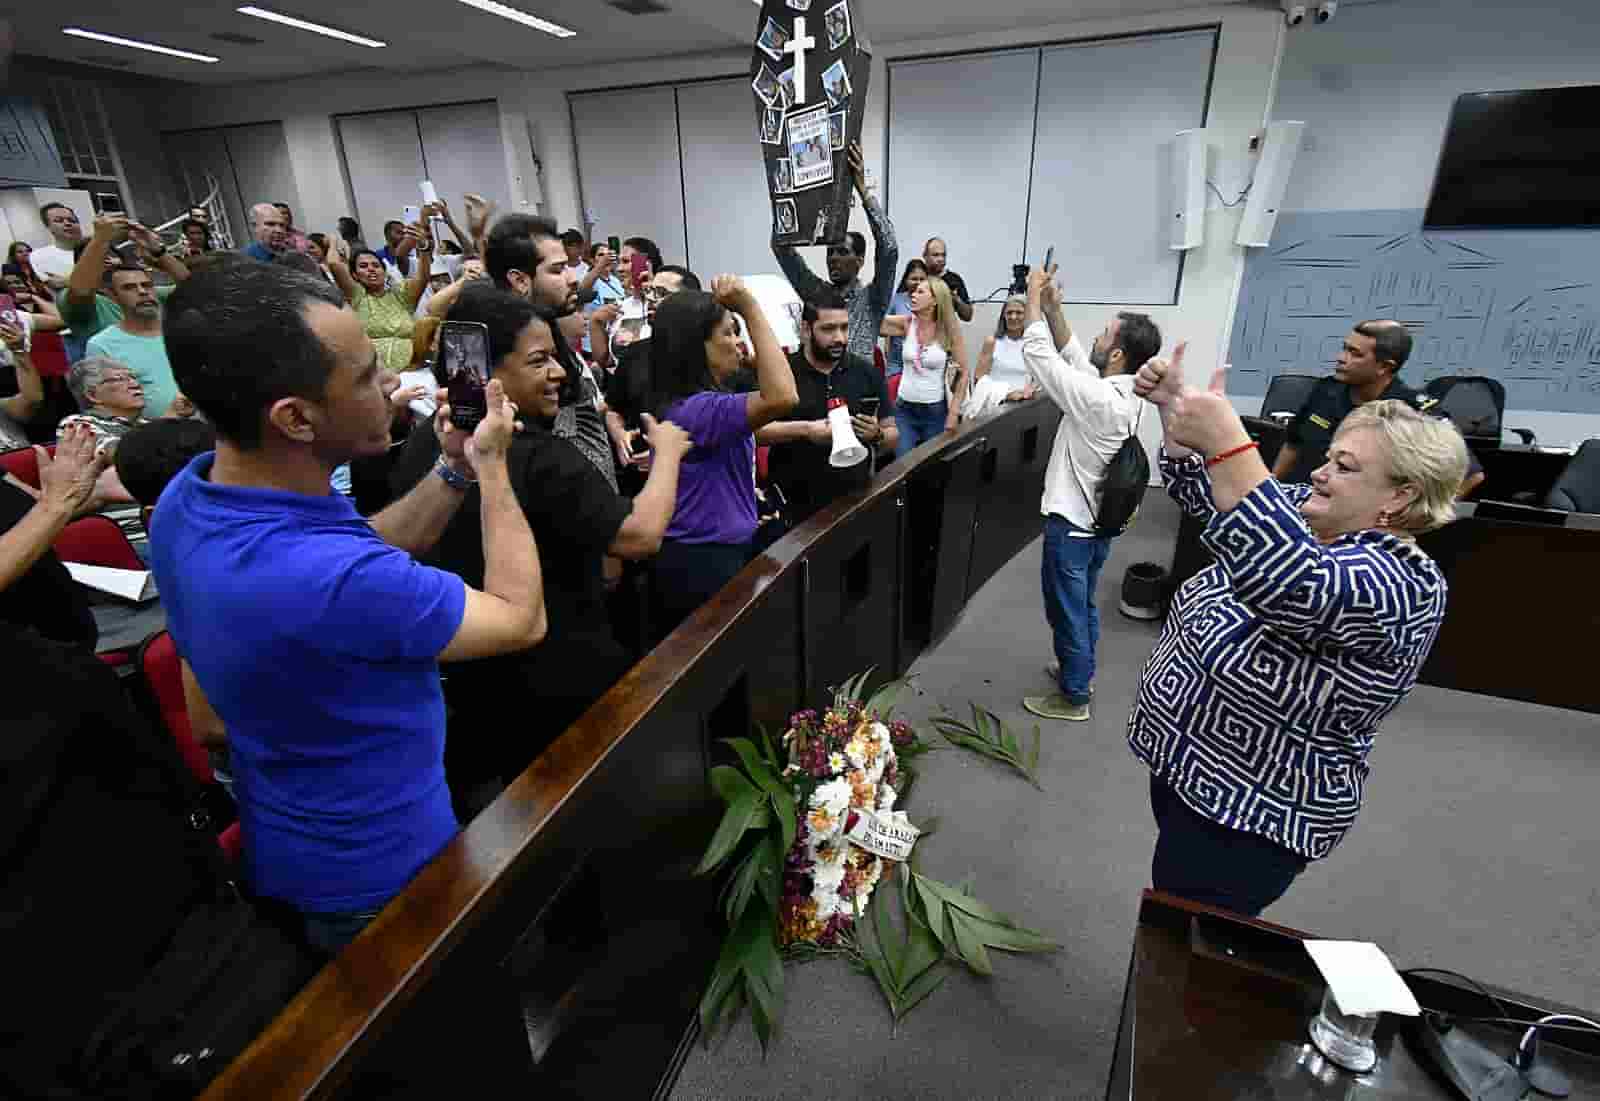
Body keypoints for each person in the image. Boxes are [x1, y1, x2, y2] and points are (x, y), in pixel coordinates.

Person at [151, 259, 547, 953]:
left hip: (290, 845)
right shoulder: (330, 580)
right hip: (387, 881)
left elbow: (351, 549)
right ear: (296, 417)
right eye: (365, 376)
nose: (392, 382)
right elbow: (520, 617)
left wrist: (451, 467)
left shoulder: (190, 500)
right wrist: (491, 467)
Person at [1128, 347, 1469, 917]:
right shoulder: (1305, 514)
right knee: (1172, 905)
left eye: (1345, 466)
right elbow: (1208, 500)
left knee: (1184, 940)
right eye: (1329, 456)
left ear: (1401, 495)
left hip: (1249, 814)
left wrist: (1232, 443)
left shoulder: (1404, 584)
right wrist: (1177, 417)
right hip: (1193, 773)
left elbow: (1293, 583)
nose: (1319, 471)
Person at [391, 286, 693, 807]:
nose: (559, 373)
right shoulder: (540, 456)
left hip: (474, 693)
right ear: (487, 372)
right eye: (540, 360)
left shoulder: (427, 447)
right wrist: (667, 454)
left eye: (556, 356)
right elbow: (639, 535)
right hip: (559, 687)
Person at [1016, 264, 1160, 723]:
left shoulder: (1098, 401)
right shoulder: (1124, 392)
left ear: (1116, 354)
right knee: (1083, 602)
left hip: (1073, 526)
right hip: (1097, 524)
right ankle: (1080, 670)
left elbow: (1041, 355)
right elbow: (1075, 354)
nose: (1096, 339)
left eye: (1104, 335)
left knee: (1067, 609)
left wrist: (1033, 296)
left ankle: (1074, 695)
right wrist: (1054, 307)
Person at [647, 276, 796, 636]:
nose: (738, 343)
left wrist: (807, 430)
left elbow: (746, 428)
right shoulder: (700, 409)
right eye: (729, 333)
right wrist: (749, 306)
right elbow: (782, 397)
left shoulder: (696, 404)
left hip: (711, 553)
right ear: (698, 347)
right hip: (702, 562)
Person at [757, 288, 897, 525]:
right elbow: (755, 433)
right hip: (794, 507)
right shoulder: (781, 374)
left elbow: (893, 434)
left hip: (853, 501)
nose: (840, 338)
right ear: (805, 329)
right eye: (828, 329)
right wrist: (806, 430)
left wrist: (877, 434)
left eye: (844, 327)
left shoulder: (866, 372)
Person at [1271, 320, 1465, 489]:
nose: (1341, 358)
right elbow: (1293, 444)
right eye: (1345, 348)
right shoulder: (1326, 390)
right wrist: (1273, 490)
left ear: (1385, 366)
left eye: (1354, 353)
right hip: (1300, 502)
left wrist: (1417, 520)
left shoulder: (1414, 412)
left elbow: (1468, 474)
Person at [773, 142, 898, 369]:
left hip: (858, 392)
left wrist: (863, 189)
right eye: (830, 252)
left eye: (842, 252)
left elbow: (889, 248)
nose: (833, 258)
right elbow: (781, 249)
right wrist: (793, 195)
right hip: (821, 390)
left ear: (860, 261)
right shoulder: (817, 293)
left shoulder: (872, 300)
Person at [0, 422, 106, 649]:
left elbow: (34, 514)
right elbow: (49, 508)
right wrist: (54, 505)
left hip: (66, 635)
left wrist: (84, 493)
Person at [57, 213, 190, 359]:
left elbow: (192, 288)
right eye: (100, 259)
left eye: (109, 256)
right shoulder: (82, 304)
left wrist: (159, 251)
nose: (106, 262)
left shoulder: (144, 291)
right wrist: (100, 239)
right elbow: (81, 290)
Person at [880, 276, 969, 456]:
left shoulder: (949, 330)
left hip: (935, 413)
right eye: (914, 291)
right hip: (904, 409)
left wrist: (953, 413)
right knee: (902, 463)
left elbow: (964, 373)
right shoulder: (906, 323)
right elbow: (874, 322)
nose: (913, 295)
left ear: (935, 300)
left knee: (932, 466)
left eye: (921, 292)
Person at [327, 223, 432, 373]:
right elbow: (333, 263)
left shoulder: (402, 295)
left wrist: (423, 246)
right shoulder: (358, 296)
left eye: (376, 265)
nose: (370, 269)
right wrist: (332, 241)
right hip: (375, 377)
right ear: (355, 275)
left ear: (385, 272)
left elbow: (423, 277)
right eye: (363, 266)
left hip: (412, 371)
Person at [84, 266, 183, 416]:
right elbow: (108, 407)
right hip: (159, 434)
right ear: (112, 296)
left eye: (147, 285)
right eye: (129, 288)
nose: (142, 292)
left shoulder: (182, 328)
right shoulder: (102, 345)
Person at [965, 295, 1039, 416]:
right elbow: (979, 380)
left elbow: (1039, 378)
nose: (1013, 317)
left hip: (1025, 407)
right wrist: (1006, 394)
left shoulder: (1033, 344)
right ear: (1003, 316)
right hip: (996, 409)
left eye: (1019, 313)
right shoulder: (992, 342)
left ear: (1027, 316)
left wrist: (1031, 389)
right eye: (1009, 313)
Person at [883, 258, 927, 378]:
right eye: (914, 279)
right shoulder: (896, 300)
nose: (918, 282)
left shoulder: (932, 302)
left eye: (922, 279)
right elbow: (884, 327)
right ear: (906, 280)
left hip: (922, 368)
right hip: (896, 368)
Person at [29, 203, 84, 288]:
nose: (67, 223)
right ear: (48, 227)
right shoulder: (39, 256)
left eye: (72, 220)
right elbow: (55, 284)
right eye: (59, 220)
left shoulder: (97, 247)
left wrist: (69, 281)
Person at [922, 237, 974, 323]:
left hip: (945, 333)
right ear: (925, 256)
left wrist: (956, 299)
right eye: (935, 255)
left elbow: (968, 316)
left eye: (943, 255)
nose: (940, 259)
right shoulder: (918, 277)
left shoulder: (954, 279)